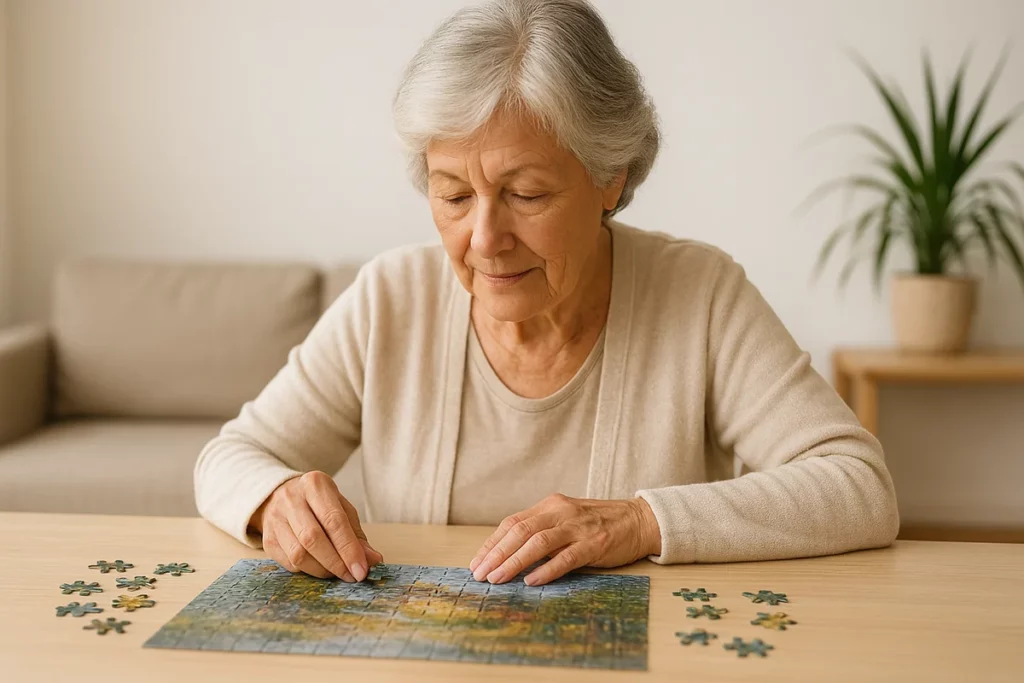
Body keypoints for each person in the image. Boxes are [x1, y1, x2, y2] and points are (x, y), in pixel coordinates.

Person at [194, 0, 899, 587]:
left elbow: (858, 487)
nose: (484, 237)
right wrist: (275, 498)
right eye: (453, 194)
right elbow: (231, 457)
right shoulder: (390, 299)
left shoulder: (701, 294)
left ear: (610, 177)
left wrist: (637, 520)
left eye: (525, 193)